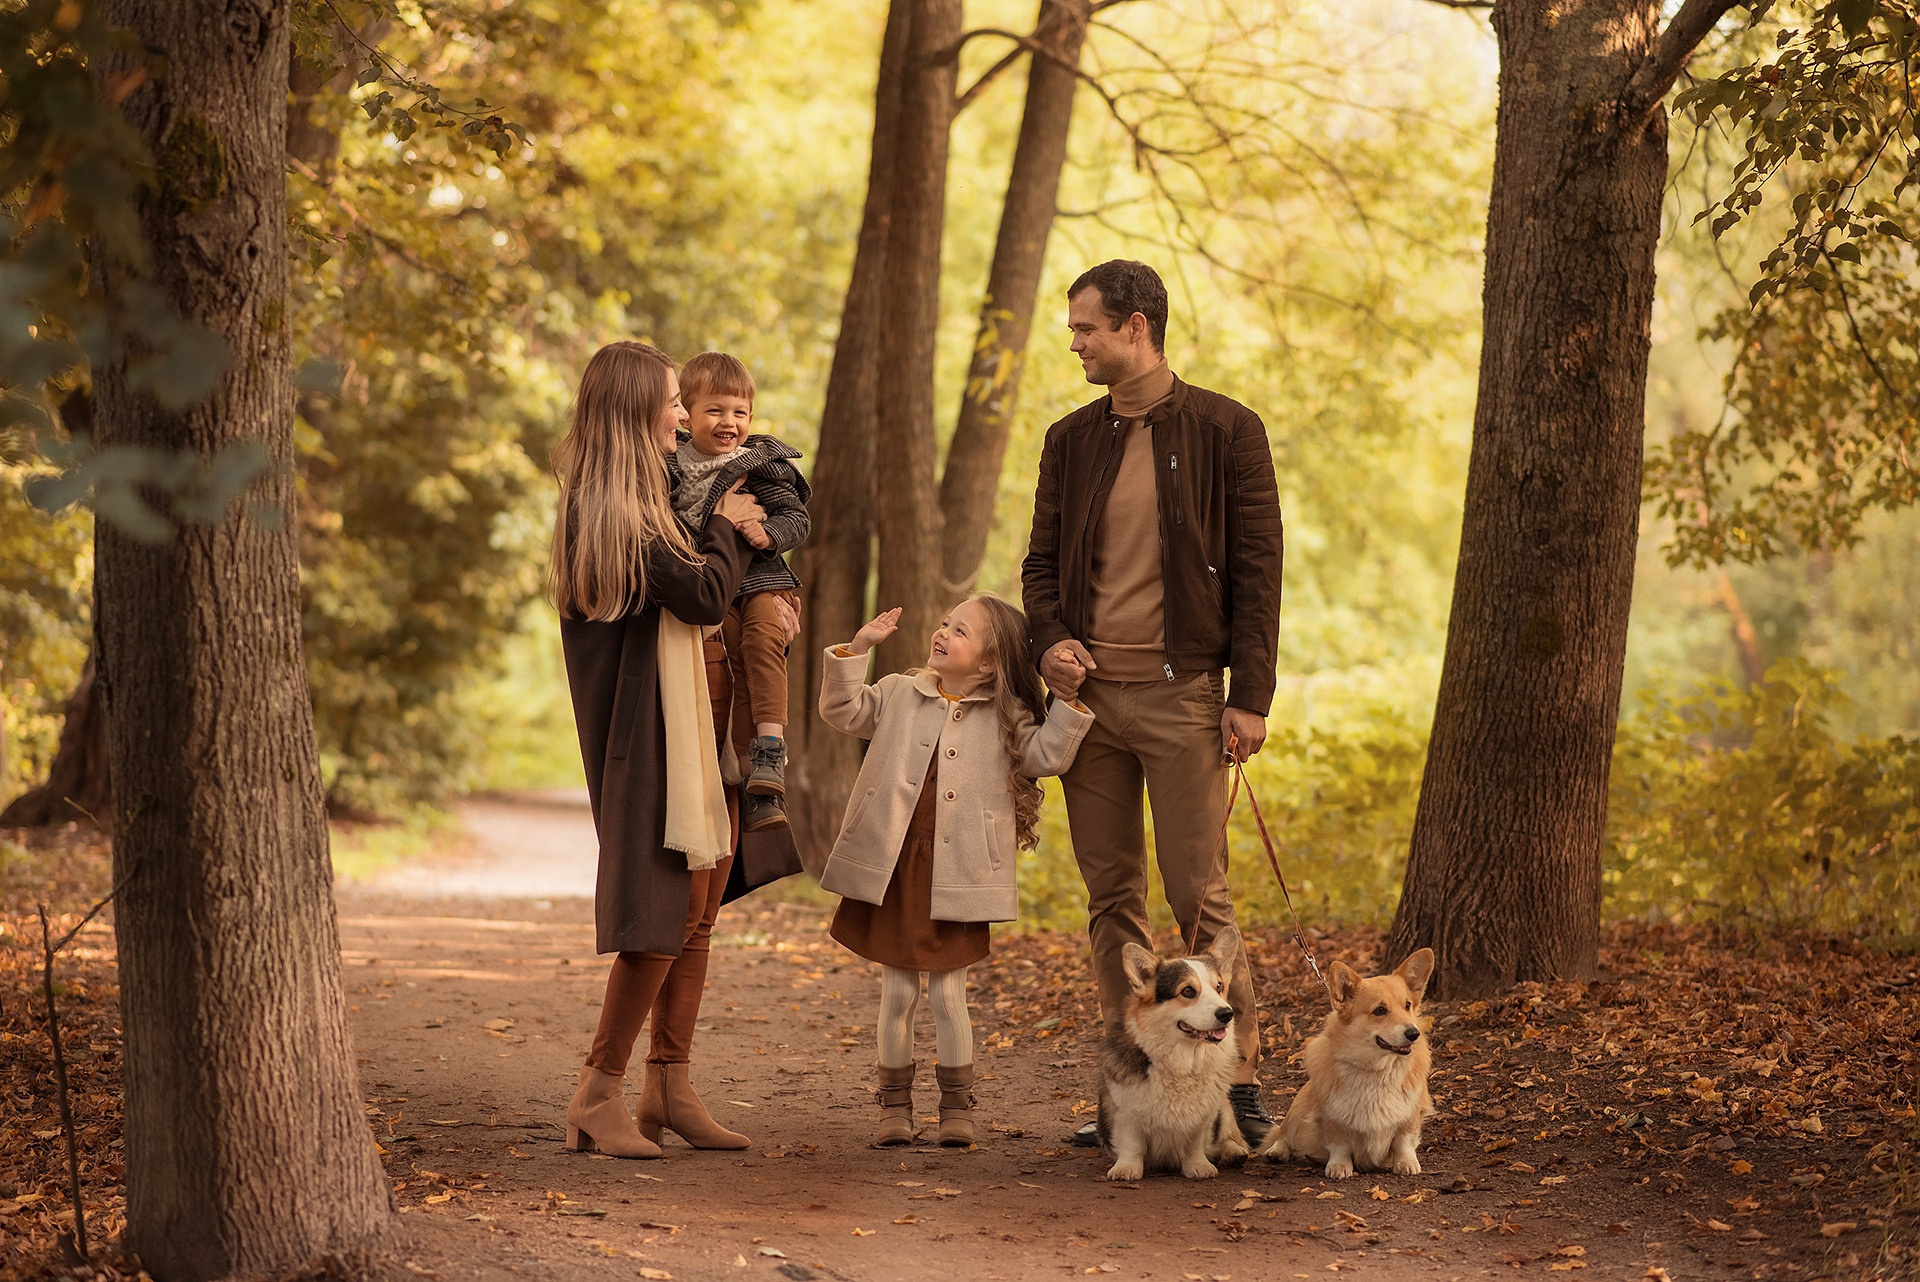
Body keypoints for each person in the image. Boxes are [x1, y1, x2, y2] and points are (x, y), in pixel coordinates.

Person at [1021, 259, 1285, 1146]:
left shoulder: (1227, 430)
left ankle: (1236, 1085)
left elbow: (1259, 570)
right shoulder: (1070, 439)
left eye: (1086, 329)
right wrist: (1049, 640)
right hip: (1089, 705)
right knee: (1112, 900)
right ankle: (1128, 1092)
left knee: (1200, 898)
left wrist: (1250, 695)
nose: (1075, 343)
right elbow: (1040, 564)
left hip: (1184, 699)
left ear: (1136, 327)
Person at [549, 340, 768, 1159]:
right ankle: (597, 1092)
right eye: (672, 401)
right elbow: (705, 592)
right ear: (633, 411)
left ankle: (668, 1084)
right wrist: (732, 527)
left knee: (698, 910)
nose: (683, 414)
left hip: (694, 725)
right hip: (647, 737)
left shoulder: (653, 501)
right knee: (662, 916)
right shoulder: (612, 515)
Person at [818, 596, 1094, 1147]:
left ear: (990, 663)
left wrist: (1066, 701)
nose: (943, 632)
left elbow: (1046, 757)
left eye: (960, 631)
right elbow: (843, 711)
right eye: (945, 623)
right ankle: (894, 1107)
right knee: (898, 993)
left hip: (959, 871)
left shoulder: (1007, 716)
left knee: (948, 996)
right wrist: (858, 649)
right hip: (896, 865)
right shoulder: (900, 691)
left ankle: (955, 1107)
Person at [668, 352, 810, 833]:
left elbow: (797, 518)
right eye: (715, 410)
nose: (729, 422)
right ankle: (751, 780)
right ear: (685, 414)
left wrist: (769, 535)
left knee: (763, 646)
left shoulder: (758, 466)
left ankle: (770, 751)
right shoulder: (669, 466)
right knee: (736, 665)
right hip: (717, 587)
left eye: (739, 412)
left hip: (763, 582)